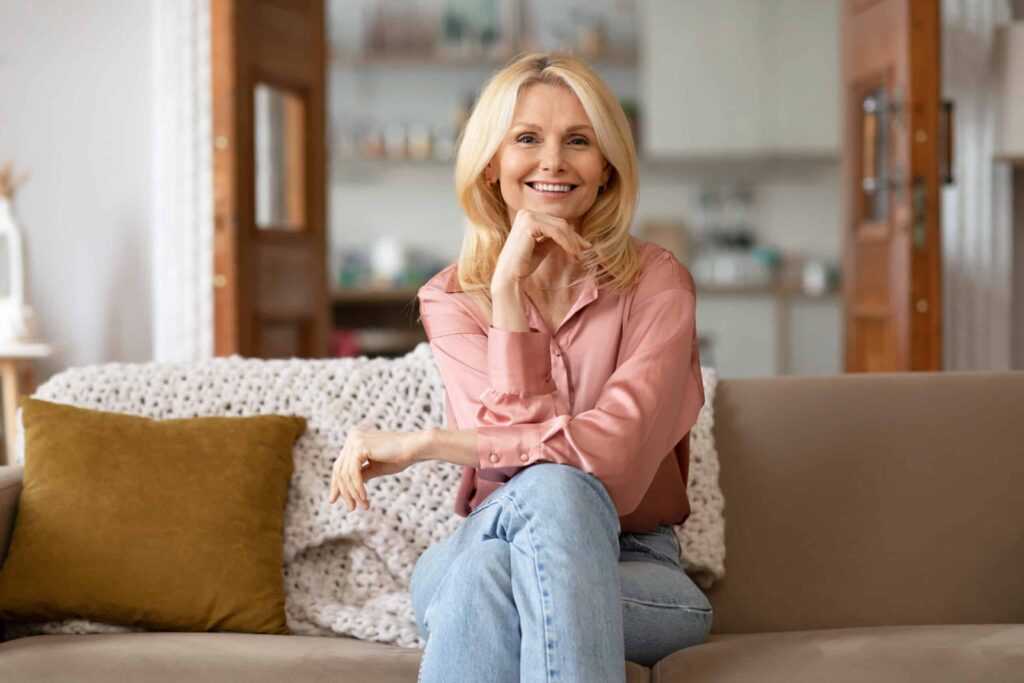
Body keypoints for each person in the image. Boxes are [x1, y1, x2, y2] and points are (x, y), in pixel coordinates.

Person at [328, 51, 711, 682]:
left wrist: (430, 442)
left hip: (634, 562)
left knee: (512, 552)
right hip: (485, 538)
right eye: (527, 139)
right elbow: (517, 471)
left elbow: (611, 464)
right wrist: (506, 296)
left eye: (579, 141)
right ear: (490, 167)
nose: (554, 161)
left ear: (607, 169)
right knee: (539, 506)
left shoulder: (656, 283)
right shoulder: (451, 298)